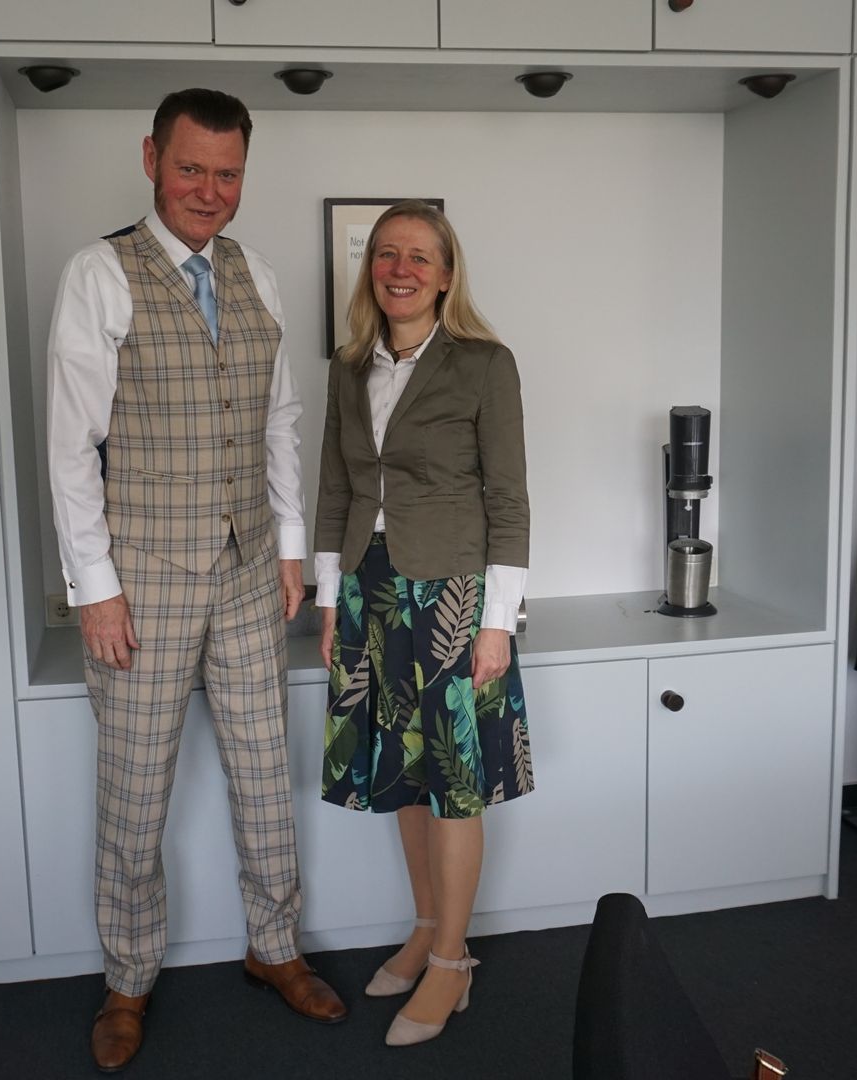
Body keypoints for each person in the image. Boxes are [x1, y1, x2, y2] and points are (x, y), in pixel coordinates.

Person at [47, 88, 348, 1074]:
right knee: (135, 794)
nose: (209, 191)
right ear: (151, 159)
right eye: (190, 169)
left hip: (251, 570)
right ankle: (128, 977)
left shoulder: (256, 273)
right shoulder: (100, 272)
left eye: (227, 174)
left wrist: (291, 546)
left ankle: (275, 946)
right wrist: (95, 587)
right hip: (142, 579)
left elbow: (278, 422)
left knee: (265, 775)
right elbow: (71, 446)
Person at [313, 200, 533, 1047]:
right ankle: (427, 926)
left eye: (417, 256)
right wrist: (330, 601)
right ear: (371, 269)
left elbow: (507, 498)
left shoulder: (484, 364)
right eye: (385, 254)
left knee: (453, 780)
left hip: (452, 598)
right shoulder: (348, 368)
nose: (399, 269)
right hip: (369, 589)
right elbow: (336, 488)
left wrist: (496, 622)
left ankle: (451, 962)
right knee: (402, 772)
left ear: (444, 275)